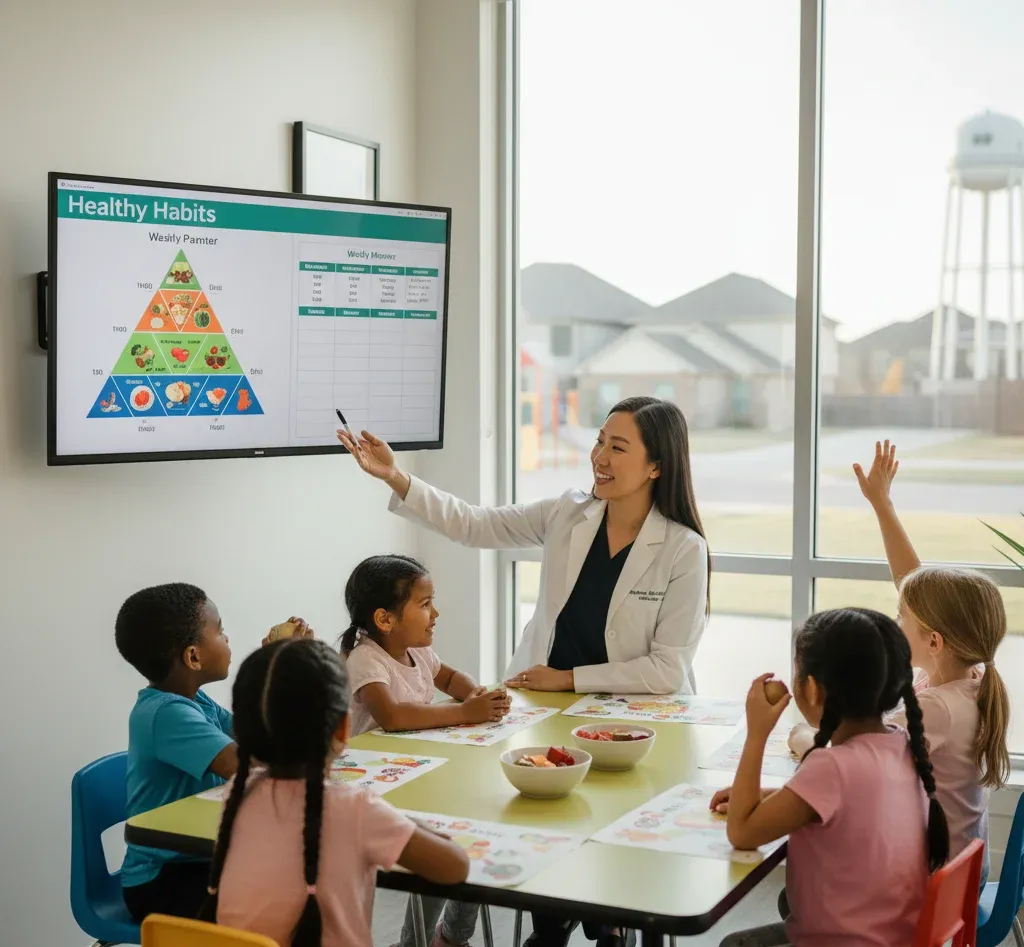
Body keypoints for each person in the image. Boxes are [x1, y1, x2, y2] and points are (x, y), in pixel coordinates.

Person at [337, 396, 710, 699]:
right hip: (546, 702)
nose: (600, 457)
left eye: (618, 447)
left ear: (655, 467)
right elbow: (473, 524)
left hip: (637, 712)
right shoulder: (567, 512)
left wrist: (566, 679)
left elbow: (666, 670)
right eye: (599, 441)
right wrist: (395, 476)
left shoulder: (684, 549)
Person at [789, 440, 1009, 883]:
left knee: (804, 883)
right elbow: (917, 585)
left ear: (933, 640)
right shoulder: (974, 677)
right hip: (960, 873)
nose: (893, 625)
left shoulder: (937, 709)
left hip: (927, 882)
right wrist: (881, 504)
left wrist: (802, 736)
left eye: (899, 619)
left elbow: (856, 758)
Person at [206, 638, 470, 947]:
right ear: (343, 729)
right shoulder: (356, 809)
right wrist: (395, 818)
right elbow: (455, 866)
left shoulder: (237, 796)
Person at [714, 608, 949, 947]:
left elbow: (742, 832)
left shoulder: (831, 766)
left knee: (735, 944)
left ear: (812, 689)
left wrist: (756, 735)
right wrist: (771, 795)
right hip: (895, 935)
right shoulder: (900, 743)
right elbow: (846, 800)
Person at [114, 582, 311, 922]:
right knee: (289, 904)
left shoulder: (194, 702)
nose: (228, 639)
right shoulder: (166, 714)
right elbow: (251, 765)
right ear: (193, 656)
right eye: (220, 632)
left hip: (199, 858)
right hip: (162, 880)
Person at [341, 553, 509, 947]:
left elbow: (448, 677)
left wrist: (475, 694)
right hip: (379, 787)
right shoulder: (366, 659)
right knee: (442, 849)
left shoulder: (419, 652)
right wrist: (466, 713)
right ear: (385, 619)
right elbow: (393, 716)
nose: (436, 613)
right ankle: (414, 941)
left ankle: (452, 937)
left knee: (475, 837)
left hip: (422, 772)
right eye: (425, 603)